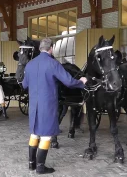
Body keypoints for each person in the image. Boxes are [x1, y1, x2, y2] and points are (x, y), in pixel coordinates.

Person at [22, 38, 87, 174]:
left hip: (34, 106)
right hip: (47, 105)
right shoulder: (53, 64)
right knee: (46, 136)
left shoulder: (30, 65)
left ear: (40, 48)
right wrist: (81, 81)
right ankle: (40, 167)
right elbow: (68, 82)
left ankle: (31, 163)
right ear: (51, 48)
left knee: (34, 134)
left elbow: (24, 84)